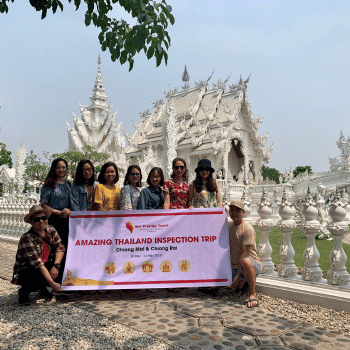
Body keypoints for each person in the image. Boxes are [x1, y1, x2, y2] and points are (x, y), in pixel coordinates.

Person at [11, 205, 65, 305]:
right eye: (36, 220)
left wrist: (56, 266)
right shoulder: (27, 238)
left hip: (45, 263)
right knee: (36, 279)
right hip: (28, 270)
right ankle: (24, 292)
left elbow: (60, 247)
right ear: (31, 222)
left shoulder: (51, 230)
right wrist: (52, 283)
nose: (41, 221)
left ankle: (44, 289)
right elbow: (37, 264)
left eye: (43, 218)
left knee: (63, 264)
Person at [228, 200, 261, 308]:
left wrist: (237, 276)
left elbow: (244, 255)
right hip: (234, 265)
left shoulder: (247, 229)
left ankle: (252, 293)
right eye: (232, 210)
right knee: (215, 287)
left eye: (238, 210)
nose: (234, 213)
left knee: (245, 261)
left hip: (250, 264)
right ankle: (242, 282)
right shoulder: (228, 226)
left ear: (243, 212)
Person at [41, 158, 71, 248]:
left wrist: (67, 210)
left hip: (66, 220)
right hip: (52, 219)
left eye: (63, 167)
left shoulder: (69, 185)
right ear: (54, 168)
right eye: (58, 167)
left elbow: (72, 203)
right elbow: (44, 205)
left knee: (65, 246)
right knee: (53, 246)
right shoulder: (48, 185)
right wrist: (59, 212)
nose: (61, 170)